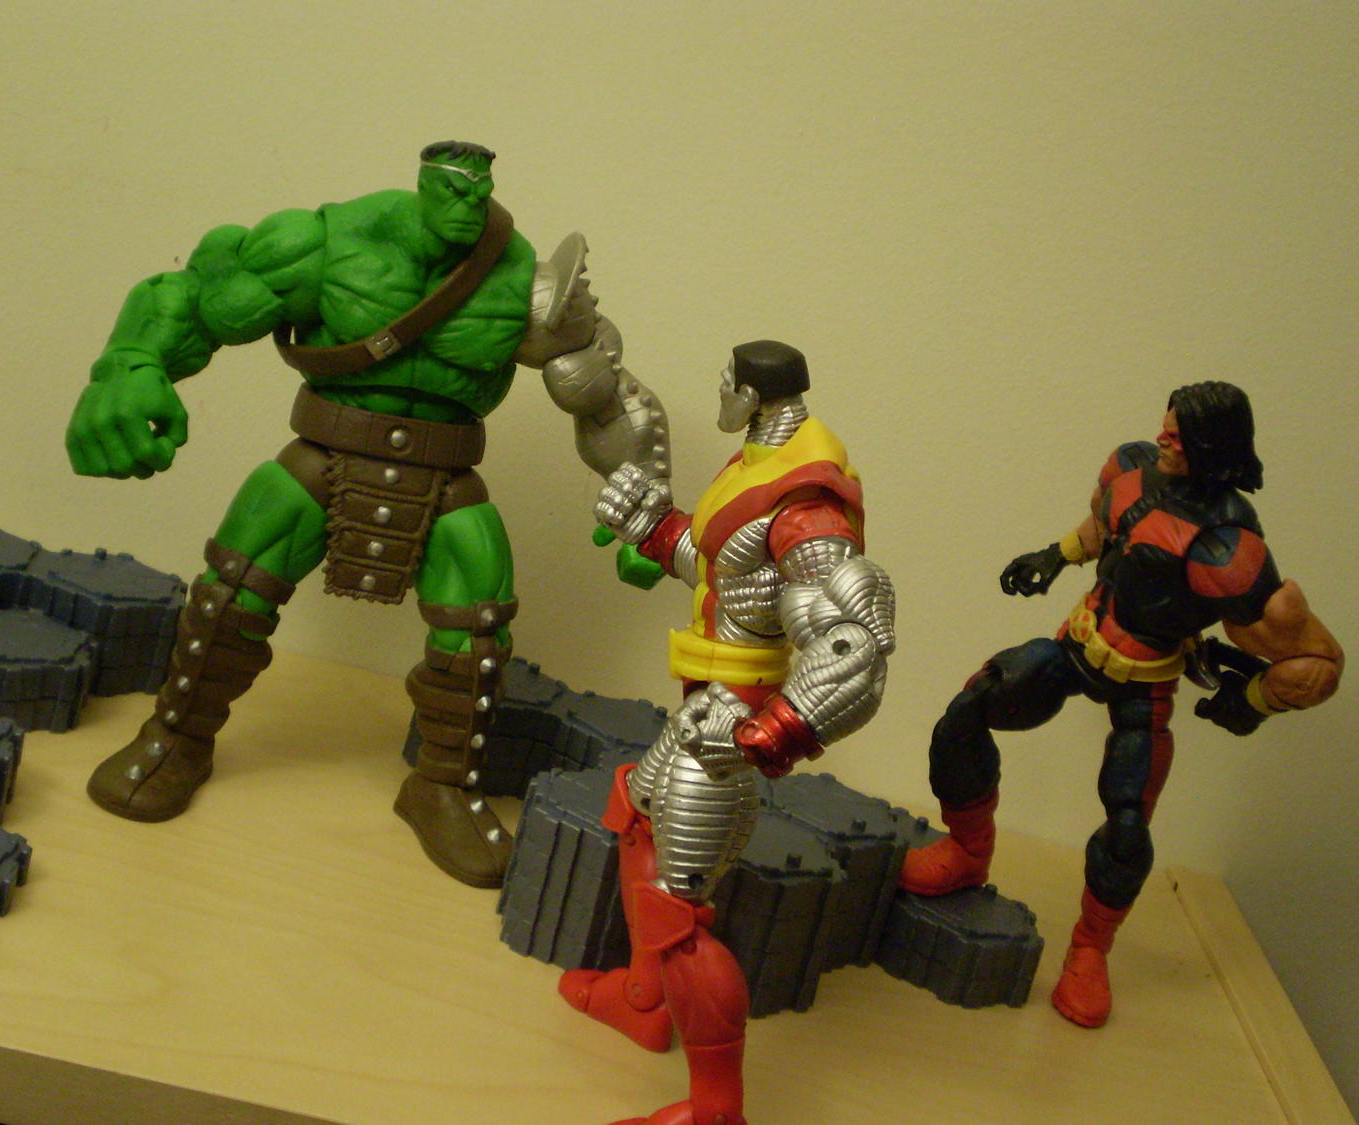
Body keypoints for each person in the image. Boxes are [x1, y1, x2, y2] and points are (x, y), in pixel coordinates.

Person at [64, 141, 671, 888]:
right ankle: (176, 738)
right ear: (423, 177)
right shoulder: (325, 242)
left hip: (448, 475)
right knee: (231, 592)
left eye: (478, 180)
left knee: (478, 628)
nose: (466, 195)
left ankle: (443, 785)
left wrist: (645, 509)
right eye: (451, 180)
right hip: (319, 455)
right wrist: (128, 365)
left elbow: (604, 395)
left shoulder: (529, 285)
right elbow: (196, 297)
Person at [900, 382, 1342, 1027]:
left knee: (1128, 828)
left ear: (1212, 447)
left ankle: (1090, 950)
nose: (1164, 437)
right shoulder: (1131, 466)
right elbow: (1105, 527)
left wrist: (1251, 699)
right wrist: (1055, 555)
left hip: (1146, 684)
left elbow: (1313, 664)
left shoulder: (1227, 546)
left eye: (1180, 435)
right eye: (1166, 425)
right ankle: (968, 854)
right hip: (1077, 644)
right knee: (966, 714)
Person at [561, 340, 896, 1125]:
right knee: (637, 813)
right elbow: (726, 575)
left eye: (726, 384)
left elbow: (853, 640)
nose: (718, 393)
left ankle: (716, 1111)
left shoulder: (807, 505)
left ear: (752, 394)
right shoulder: (756, 470)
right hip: (706, 703)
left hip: (729, 721)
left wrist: (768, 731)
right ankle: (645, 1000)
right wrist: (653, 525)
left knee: (678, 912)